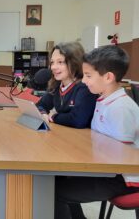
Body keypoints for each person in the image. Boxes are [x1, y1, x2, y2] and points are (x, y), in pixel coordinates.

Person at [55, 45, 139, 219]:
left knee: (53, 192)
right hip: (111, 171)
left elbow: (122, 159)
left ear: (108, 77)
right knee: (56, 180)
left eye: (88, 76)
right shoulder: (104, 99)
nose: (83, 81)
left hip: (124, 179)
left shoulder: (121, 108)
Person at [36, 42, 97, 128]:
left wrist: (54, 116)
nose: (53, 67)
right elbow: (40, 105)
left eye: (60, 62)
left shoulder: (85, 87)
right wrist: (43, 113)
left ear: (75, 63)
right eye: (52, 62)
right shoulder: (56, 85)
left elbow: (78, 120)